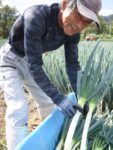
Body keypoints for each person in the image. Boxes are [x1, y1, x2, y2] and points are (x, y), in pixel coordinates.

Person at [0, 0, 102, 149]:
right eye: (79, 15)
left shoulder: (73, 32)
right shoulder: (37, 17)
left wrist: (82, 96)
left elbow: (72, 66)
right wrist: (59, 98)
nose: (80, 25)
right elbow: (35, 65)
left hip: (30, 62)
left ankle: (49, 142)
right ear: (65, 4)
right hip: (10, 60)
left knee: (48, 104)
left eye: (87, 22)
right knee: (18, 108)